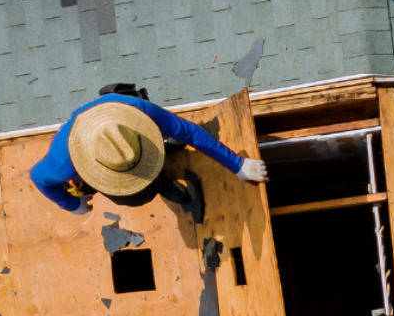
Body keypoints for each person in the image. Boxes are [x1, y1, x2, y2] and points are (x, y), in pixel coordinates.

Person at [29, 88, 269, 219]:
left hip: (133, 126)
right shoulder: (63, 164)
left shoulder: (140, 110)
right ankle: (158, 184)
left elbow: (193, 133)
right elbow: (38, 179)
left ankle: (160, 145)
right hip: (101, 155)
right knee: (130, 197)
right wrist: (72, 204)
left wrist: (238, 164)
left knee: (173, 130)